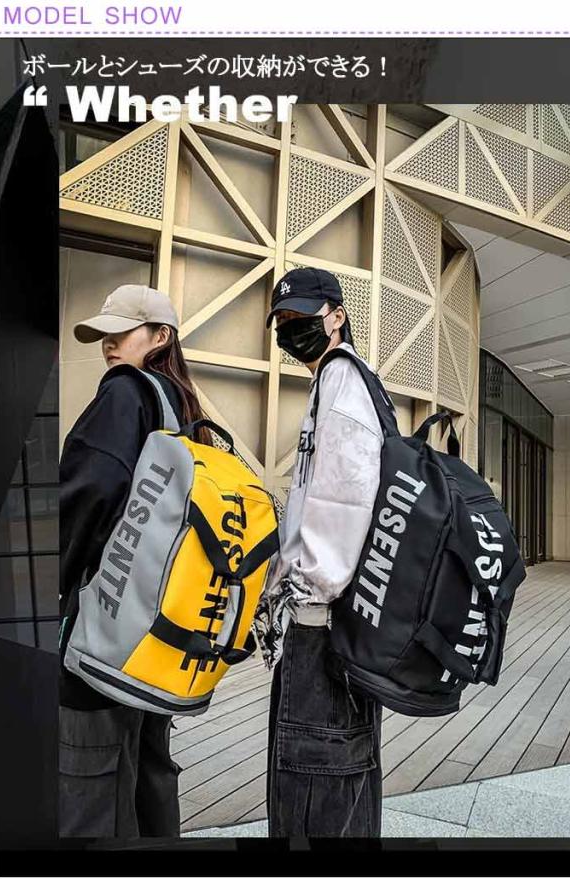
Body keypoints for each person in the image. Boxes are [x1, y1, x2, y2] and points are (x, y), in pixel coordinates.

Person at [58, 283, 212, 838]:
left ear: (160, 335)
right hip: (155, 639)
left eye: (121, 332)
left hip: (102, 630)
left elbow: (87, 493)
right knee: (147, 773)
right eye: (103, 334)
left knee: (88, 779)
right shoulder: (185, 410)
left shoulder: (125, 393)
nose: (108, 344)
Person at [254, 267, 389, 838]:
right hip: (326, 622)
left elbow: (345, 497)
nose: (290, 328)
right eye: (282, 320)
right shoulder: (334, 381)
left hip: (322, 626)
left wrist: (305, 597)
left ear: (336, 316)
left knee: (315, 793)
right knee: (331, 781)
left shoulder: (342, 380)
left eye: (302, 316)